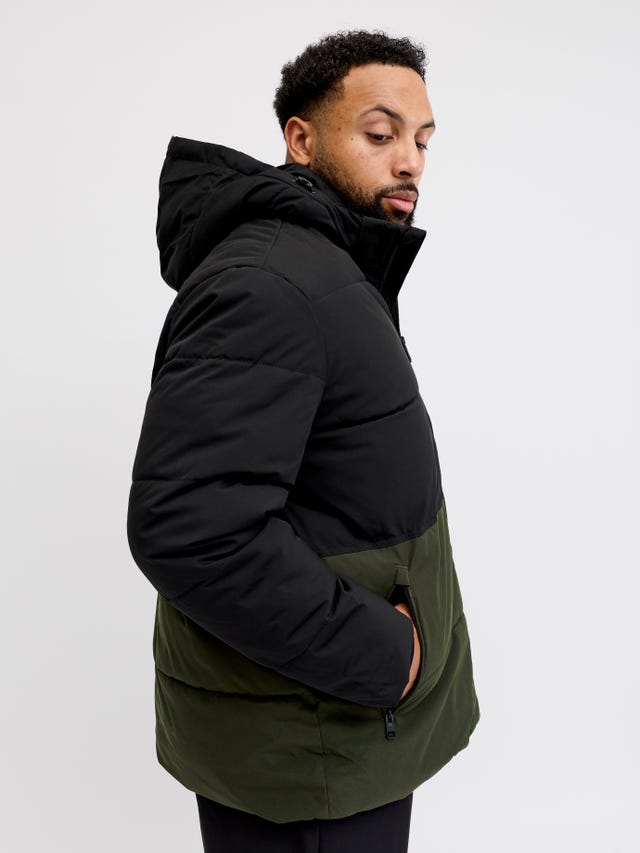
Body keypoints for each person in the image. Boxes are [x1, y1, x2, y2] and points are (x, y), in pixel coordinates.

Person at [126, 29, 480, 853]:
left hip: (328, 732)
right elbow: (190, 528)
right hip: (311, 740)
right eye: (381, 133)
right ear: (301, 139)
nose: (410, 163)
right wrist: (386, 655)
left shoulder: (325, 264)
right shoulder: (271, 283)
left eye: (423, 141)